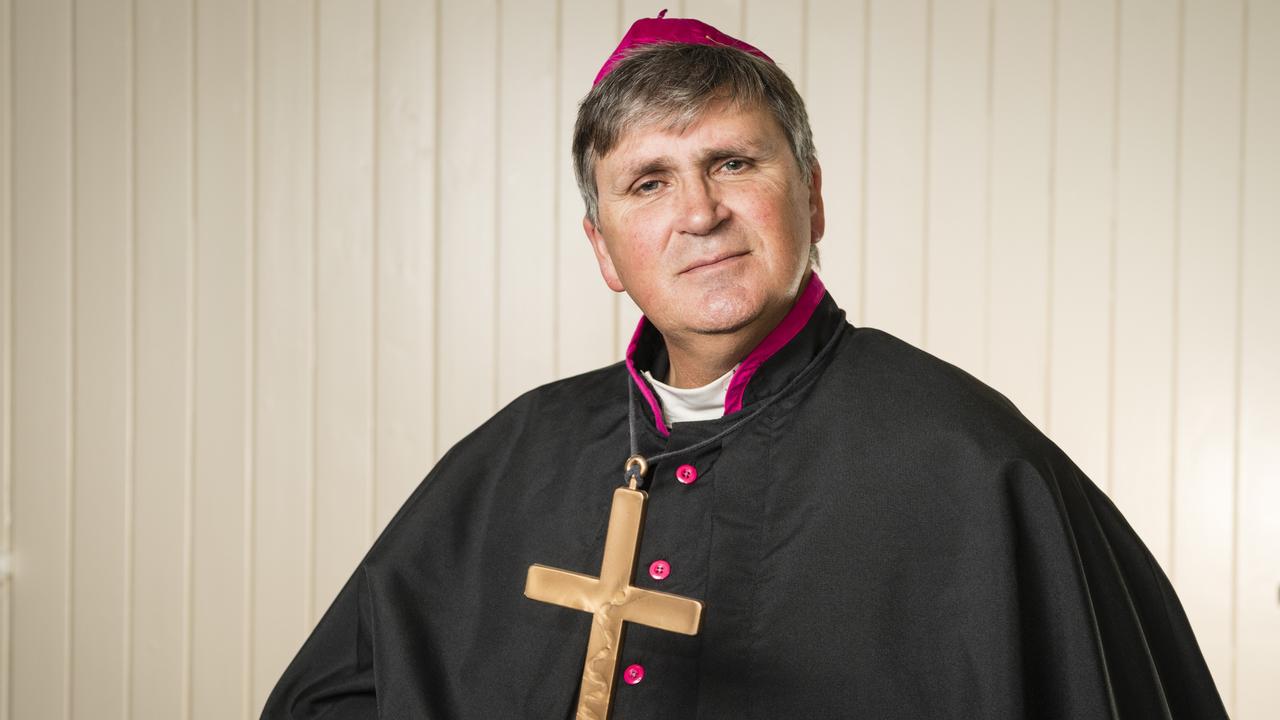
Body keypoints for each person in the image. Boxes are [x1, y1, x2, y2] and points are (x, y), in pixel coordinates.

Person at [263, 13, 1226, 719]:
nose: (699, 212)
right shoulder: (515, 453)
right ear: (603, 248)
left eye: (732, 163)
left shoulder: (970, 459)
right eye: (649, 182)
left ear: (810, 195)